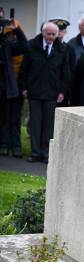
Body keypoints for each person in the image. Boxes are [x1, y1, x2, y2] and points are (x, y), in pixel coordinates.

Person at [19, 21, 71, 163]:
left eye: (54, 34)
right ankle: (35, 153)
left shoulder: (62, 49)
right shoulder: (32, 46)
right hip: (34, 91)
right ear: (43, 33)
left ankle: (46, 153)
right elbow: (24, 69)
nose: (51, 37)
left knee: (49, 125)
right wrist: (24, 87)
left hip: (52, 93)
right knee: (35, 123)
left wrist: (62, 91)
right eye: (49, 34)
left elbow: (65, 73)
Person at [0, 17, 28, 158]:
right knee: (4, 119)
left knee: (15, 119)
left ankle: (16, 147)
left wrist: (17, 30)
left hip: (16, 88)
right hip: (4, 87)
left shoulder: (16, 45)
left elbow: (25, 47)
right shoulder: (4, 45)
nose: (11, 36)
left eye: (13, 33)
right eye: (9, 33)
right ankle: (4, 145)